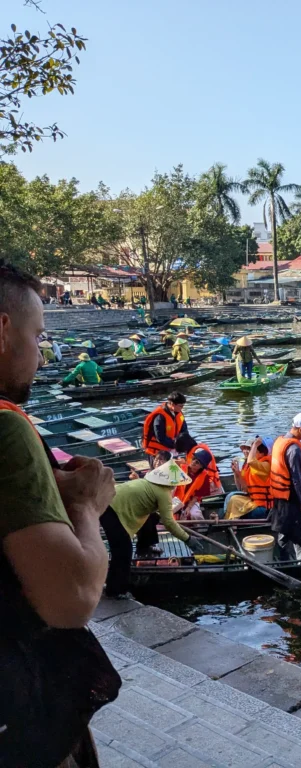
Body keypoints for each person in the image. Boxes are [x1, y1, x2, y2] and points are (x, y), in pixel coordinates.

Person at [0, 260, 119, 766]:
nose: (42, 357)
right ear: (2, 329)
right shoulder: (7, 430)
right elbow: (72, 599)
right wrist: (85, 507)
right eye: (38, 337)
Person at [101, 462, 196, 596]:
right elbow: (169, 522)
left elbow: (160, 516)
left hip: (109, 502)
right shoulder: (163, 493)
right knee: (123, 551)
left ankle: (144, 546)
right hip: (111, 511)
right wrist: (187, 538)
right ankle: (115, 591)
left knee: (152, 517)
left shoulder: (146, 482)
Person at [270, 413, 301, 560]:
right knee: (299, 535)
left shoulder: (280, 441)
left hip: (280, 498)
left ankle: (283, 562)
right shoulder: (294, 450)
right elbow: (297, 478)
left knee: (283, 532)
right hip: (292, 499)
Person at [225, 437, 272, 520]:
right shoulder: (249, 466)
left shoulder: (265, 465)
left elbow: (251, 461)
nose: (246, 452)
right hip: (254, 501)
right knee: (232, 498)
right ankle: (230, 523)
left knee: (234, 500)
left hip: (265, 507)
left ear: (261, 453)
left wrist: (255, 445)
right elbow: (243, 488)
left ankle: (232, 525)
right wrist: (237, 473)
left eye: (250, 450)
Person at [173, 447, 218, 520]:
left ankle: (202, 529)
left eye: (197, 462)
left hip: (191, 501)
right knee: (170, 513)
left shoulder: (204, 477)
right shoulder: (181, 467)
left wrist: (189, 507)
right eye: (193, 459)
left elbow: (197, 496)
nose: (193, 462)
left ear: (201, 466)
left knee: (195, 514)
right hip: (176, 499)